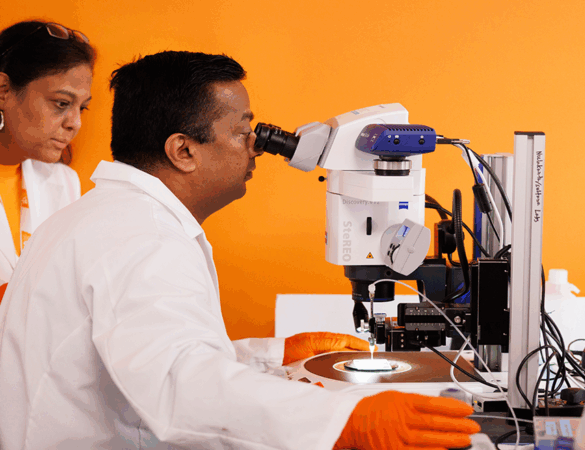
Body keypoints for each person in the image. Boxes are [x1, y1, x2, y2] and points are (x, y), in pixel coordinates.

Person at [0, 50, 480, 449]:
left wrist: (274, 355)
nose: (256, 146)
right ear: (183, 151)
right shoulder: (142, 237)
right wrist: (342, 420)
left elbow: (141, 353)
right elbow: (178, 382)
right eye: (242, 130)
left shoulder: (104, 218)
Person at [0, 21, 95, 294]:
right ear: (3, 90)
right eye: (62, 103)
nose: (75, 123)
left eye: (82, 108)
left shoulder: (64, 182)